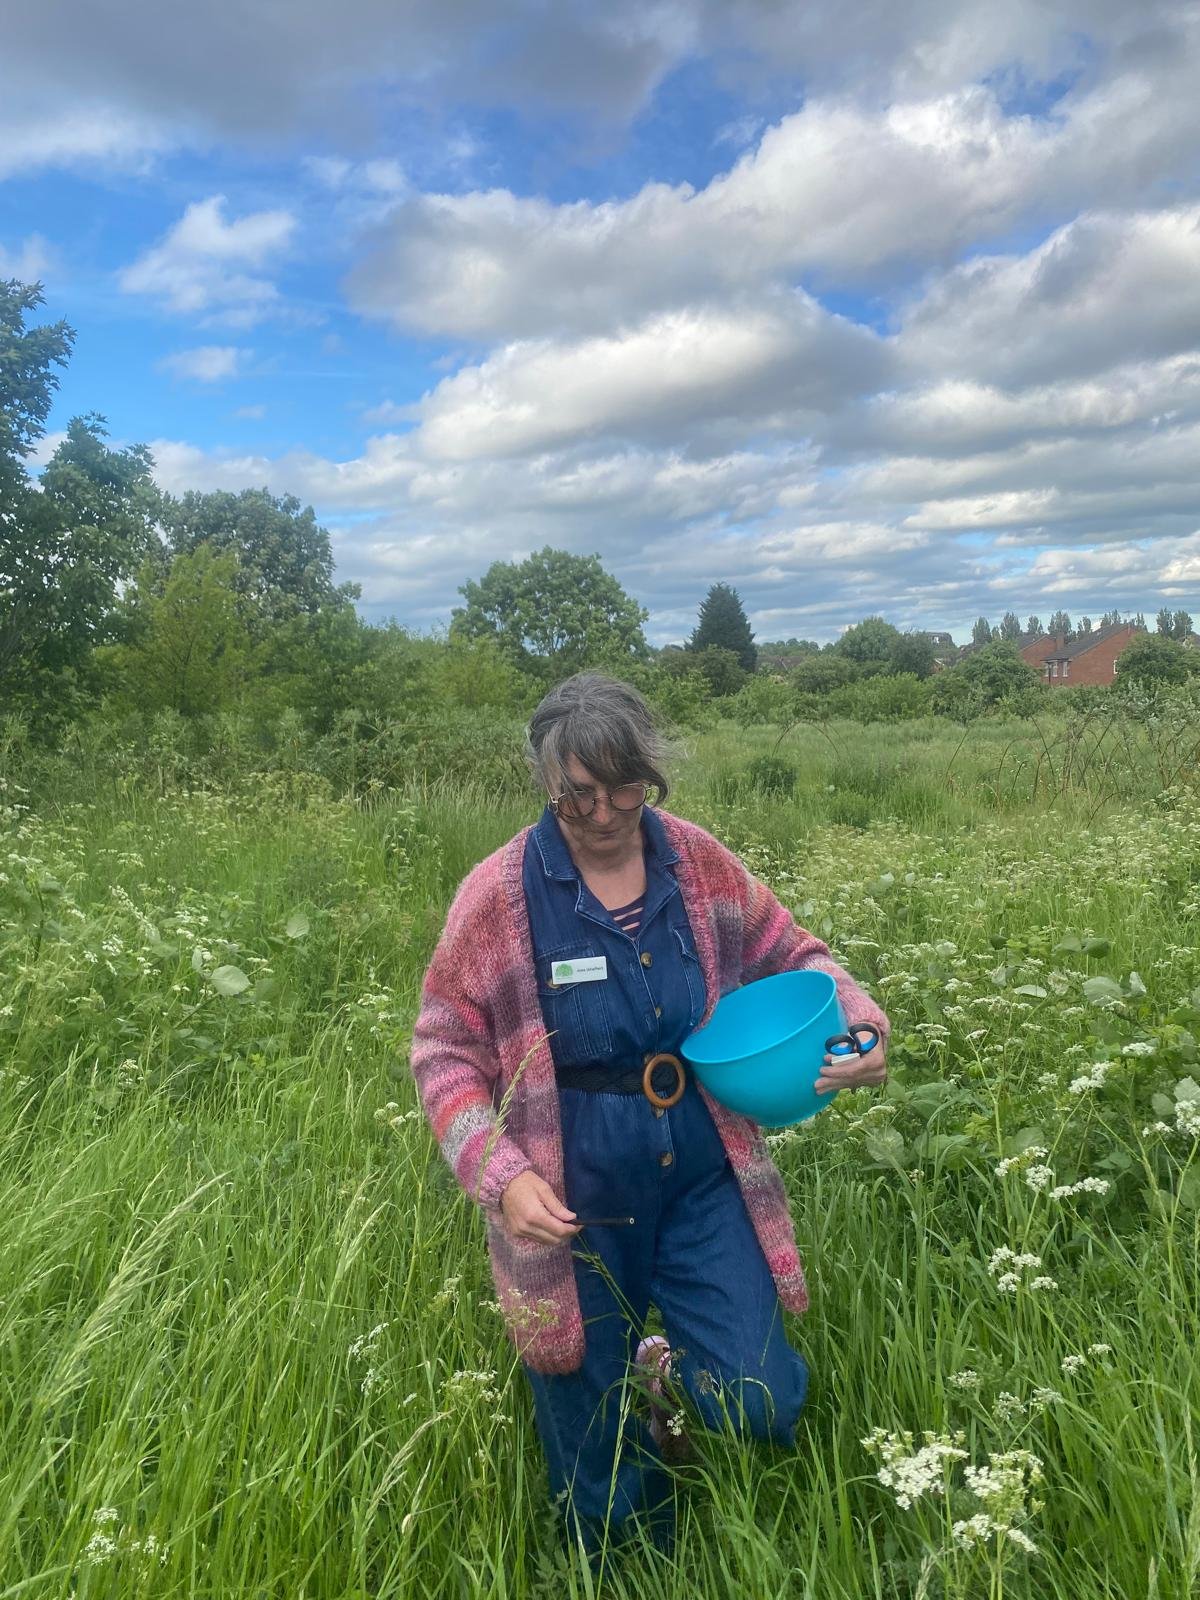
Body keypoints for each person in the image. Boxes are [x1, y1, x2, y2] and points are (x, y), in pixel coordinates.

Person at [410, 671, 890, 1561]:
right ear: (548, 789)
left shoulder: (695, 861)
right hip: (570, 1194)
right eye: (577, 794)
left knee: (760, 1400)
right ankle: (635, 1558)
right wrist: (500, 1177)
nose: (602, 811)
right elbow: (443, 1049)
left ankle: (663, 1371)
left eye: (623, 785)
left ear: (650, 774)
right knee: (599, 1473)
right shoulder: (499, 896)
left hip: (702, 1165)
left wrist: (858, 1020)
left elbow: (798, 953)